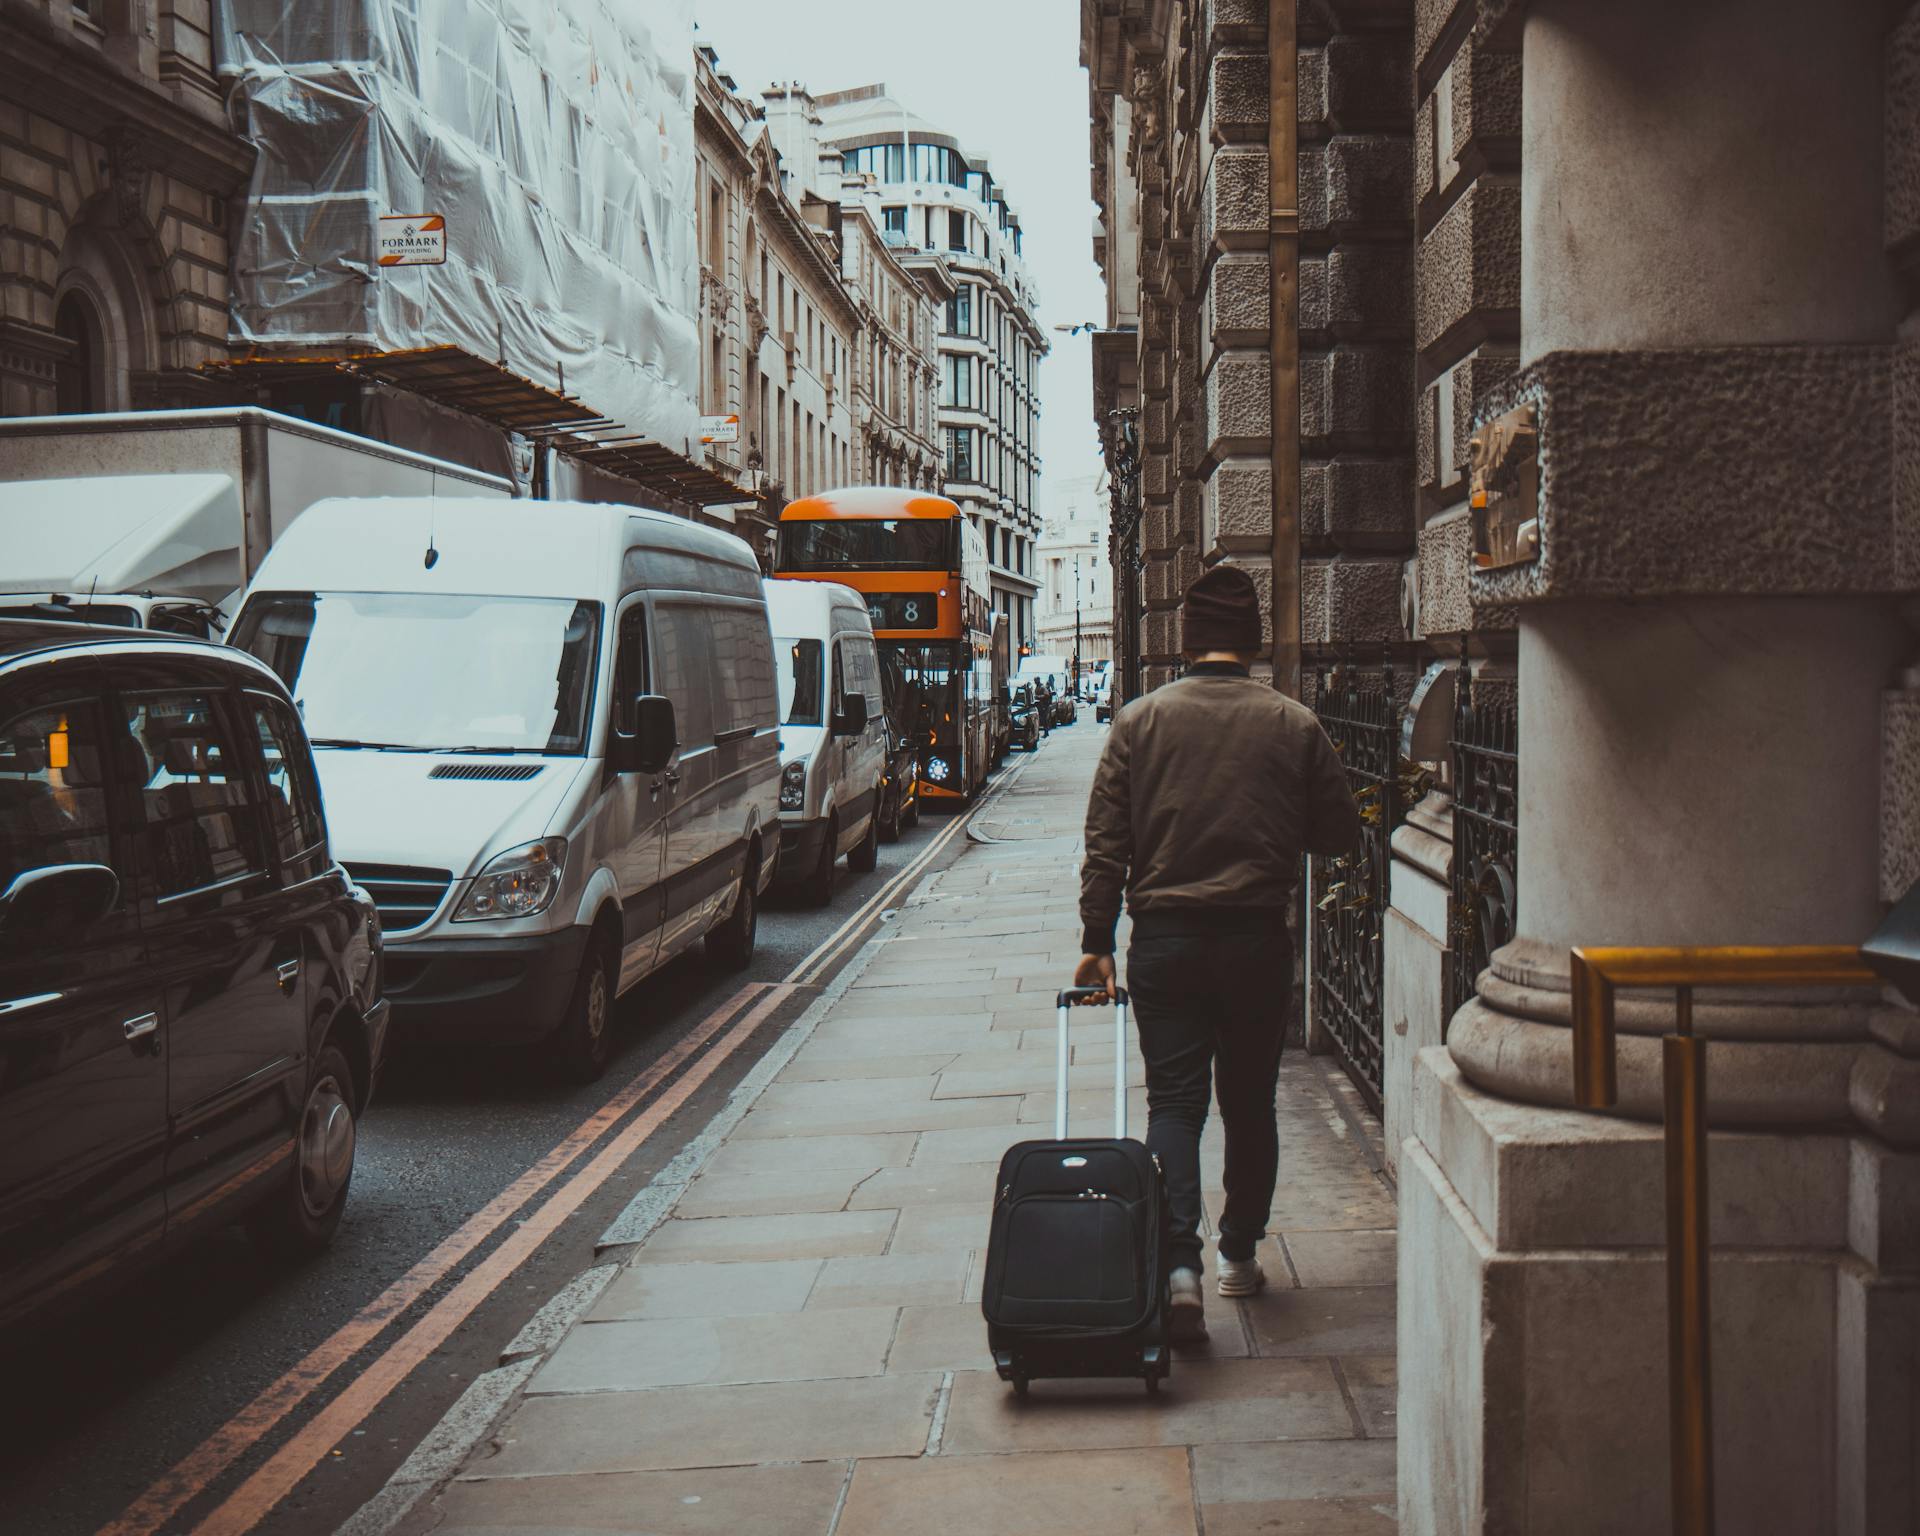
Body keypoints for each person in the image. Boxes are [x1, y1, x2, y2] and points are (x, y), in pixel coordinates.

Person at [1074, 564, 1360, 1342]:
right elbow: (1339, 833)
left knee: (1174, 1106)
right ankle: (1238, 1255)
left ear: (1186, 639)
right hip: (1254, 944)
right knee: (1247, 1104)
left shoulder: (1139, 722)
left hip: (1163, 944)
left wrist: (1096, 942)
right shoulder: (1293, 723)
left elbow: (1106, 845)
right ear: (1254, 640)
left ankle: (1177, 1269)